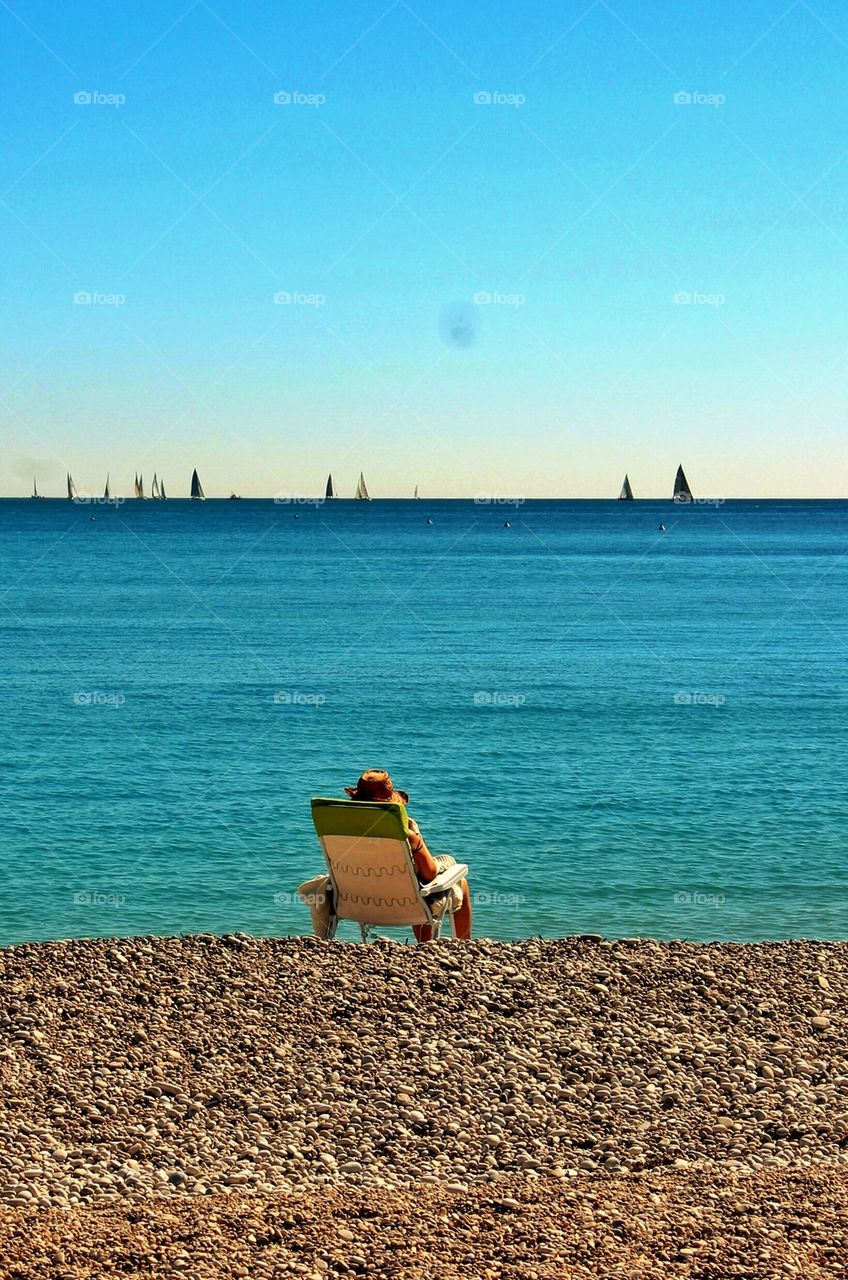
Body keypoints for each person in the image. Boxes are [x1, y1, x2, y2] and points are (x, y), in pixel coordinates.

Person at [299, 770, 472, 941]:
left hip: (354, 904)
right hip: (407, 906)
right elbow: (429, 874)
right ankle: (453, 945)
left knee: (420, 875)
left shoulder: (337, 828)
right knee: (453, 879)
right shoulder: (405, 829)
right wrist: (416, 841)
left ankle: (426, 945)